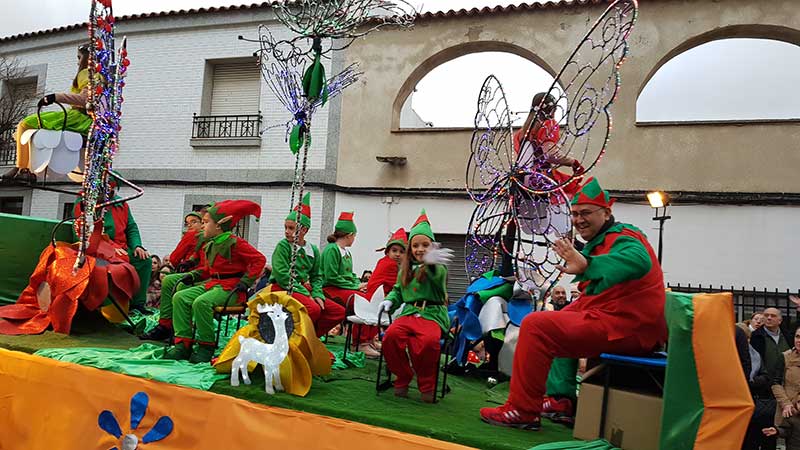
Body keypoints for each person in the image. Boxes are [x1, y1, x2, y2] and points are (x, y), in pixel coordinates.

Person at [480, 177, 666, 430]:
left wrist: (587, 264)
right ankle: (560, 400)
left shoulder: (625, 237)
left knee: (536, 325)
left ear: (606, 212)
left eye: (585, 213)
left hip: (629, 327)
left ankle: (522, 410)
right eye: (575, 214)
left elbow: (639, 261)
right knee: (562, 317)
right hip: (618, 321)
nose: (578, 220)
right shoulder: (602, 239)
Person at [161, 200, 266, 364]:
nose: (202, 226)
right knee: (180, 297)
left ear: (219, 225)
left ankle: (206, 346)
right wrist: (192, 275)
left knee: (201, 303)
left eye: (205, 222)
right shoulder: (211, 244)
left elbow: (259, 260)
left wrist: (246, 281)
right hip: (213, 285)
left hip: (232, 289)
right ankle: (183, 344)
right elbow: (208, 270)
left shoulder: (235, 243)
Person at [380, 210, 452, 403]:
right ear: (410, 248)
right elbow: (398, 289)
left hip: (432, 314)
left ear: (432, 246)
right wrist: (390, 300)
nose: (420, 249)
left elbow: (438, 280)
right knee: (390, 337)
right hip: (409, 313)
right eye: (415, 245)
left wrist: (432, 265)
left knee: (428, 343)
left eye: (425, 245)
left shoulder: (438, 268)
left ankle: (427, 385)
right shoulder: (405, 269)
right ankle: (403, 376)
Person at [2, 44, 94, 184]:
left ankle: (22, 168)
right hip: (82, 119)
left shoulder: (86, 73)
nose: (77, 62)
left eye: (79, 57)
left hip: (77, 119)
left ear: (86, 58)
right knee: (28, 127)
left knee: (24, 124)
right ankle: (23, 168)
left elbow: (85, 99)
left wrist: (55, 97)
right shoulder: (97, 76)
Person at [265, 193, 345, 337]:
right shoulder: (283, 246)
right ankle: (296, 338)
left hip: (302, 288)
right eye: (286, 227)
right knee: (313, 309)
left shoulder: (312, 250)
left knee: (337, 311)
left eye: (291, 228)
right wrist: (307, 294)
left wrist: (317, 293)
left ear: (304, 230)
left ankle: (311, 337)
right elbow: (283, 276)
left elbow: (317, 276)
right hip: (283, 287)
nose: (287, 232)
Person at [73, 172, 152, 313]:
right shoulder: (84, 203)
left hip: (121, 248)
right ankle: (113, 307)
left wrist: (137, 246)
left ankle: (137, 304)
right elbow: (84, 232)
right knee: (118, 263)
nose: (108, 192)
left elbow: (131, 227)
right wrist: (110, 248)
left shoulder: (121, 204)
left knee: (144, 260)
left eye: (111, 189)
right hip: (97, 247)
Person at [353, 228, 408, 357]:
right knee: (378, 315)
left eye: (401, 251)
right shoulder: (391, 265)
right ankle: (361, 343)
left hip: (377, 296)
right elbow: (396, 285)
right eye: (394, 250)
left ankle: (369, 340)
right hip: (376, 298)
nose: (398, 254)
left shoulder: (388, 262)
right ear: (388, 251)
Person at [321, 211, 367, 309]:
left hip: (343, 287)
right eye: (354, 236)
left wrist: (359, 284)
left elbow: (350, 275)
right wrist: (354, 287)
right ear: (349, 235)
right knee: (361, 301)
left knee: (366, 296)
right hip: (331, 288)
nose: (354, 238)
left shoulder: (347, 252)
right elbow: (331, 277)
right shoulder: (332, 249)